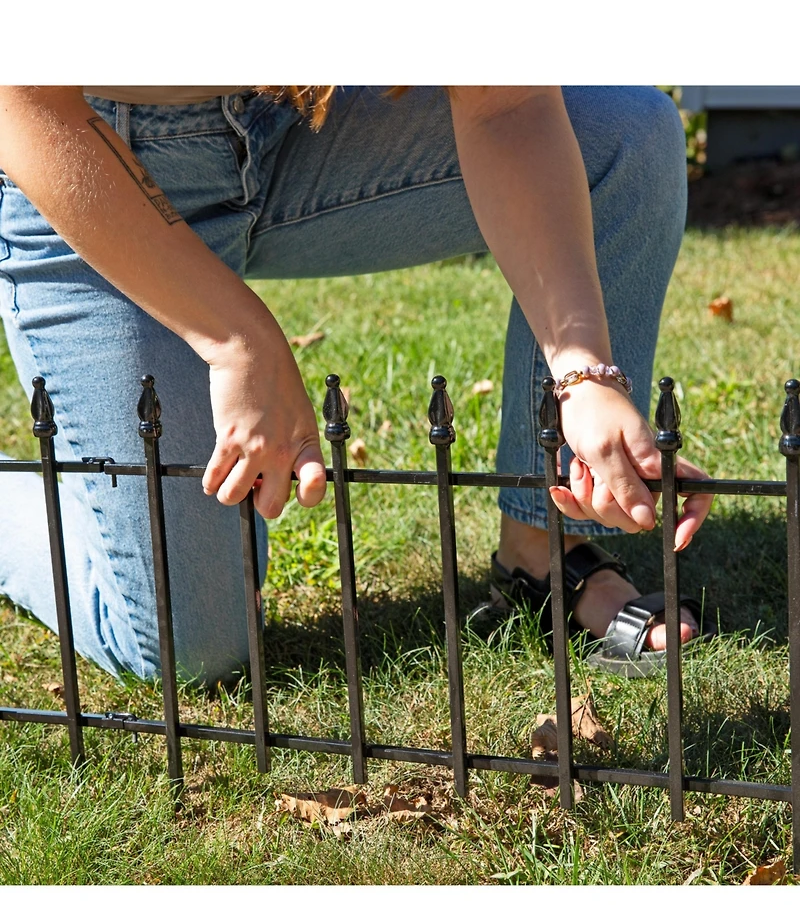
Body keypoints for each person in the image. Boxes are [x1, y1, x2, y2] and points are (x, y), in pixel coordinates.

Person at [0, 85, 712, 686]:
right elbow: (24, 102)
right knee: (190, 650)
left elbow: (507, 107)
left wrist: (584, 374)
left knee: (625, 134)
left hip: (295, 128)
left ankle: (542, 554)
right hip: (88, 160)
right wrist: (236, 339)